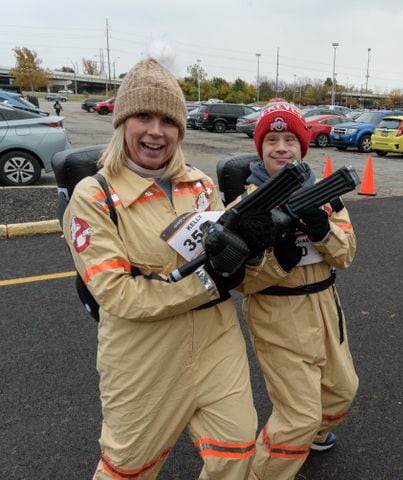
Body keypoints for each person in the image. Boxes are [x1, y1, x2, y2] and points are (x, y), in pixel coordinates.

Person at [62, 46, 267, 479]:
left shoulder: (199, 183)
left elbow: (229, 261)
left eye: (169, 121)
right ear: (122, 123)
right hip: (143, 360)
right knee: (128, 470)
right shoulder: (93, 197)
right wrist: (210, 281)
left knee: (238, 453)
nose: (156, 132)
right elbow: (116, 293)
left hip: (216, 344)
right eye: (144, 118)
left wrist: (254, 248)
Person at [235, 100, 359, 480]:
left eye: (290, 138)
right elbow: (240, 281)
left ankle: (317, 436)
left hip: (325, 308)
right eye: (271, 139)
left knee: (342, 390)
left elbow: (346, 254)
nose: (281, 147)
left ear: (303, 147)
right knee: (298, 417)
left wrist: (323, 231)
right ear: (260, 148)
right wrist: (279, 259)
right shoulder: (245, 207)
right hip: (278, 316)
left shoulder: (325, 194)